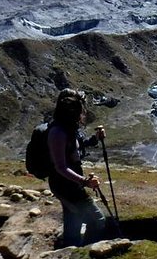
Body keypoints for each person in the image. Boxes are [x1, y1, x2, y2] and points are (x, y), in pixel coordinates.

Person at [47, 88, 107, 247]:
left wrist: (95, 139)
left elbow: (77, 147)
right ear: (72, 111)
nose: (83, 113)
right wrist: (84, 182)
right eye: (81, 109)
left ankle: (70, 248)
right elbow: (60, 166)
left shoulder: (68, 127)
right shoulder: (57, 132)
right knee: (97, 220)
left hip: (70, 185)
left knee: (73, 218)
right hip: (65, 187)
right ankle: (83, 252)